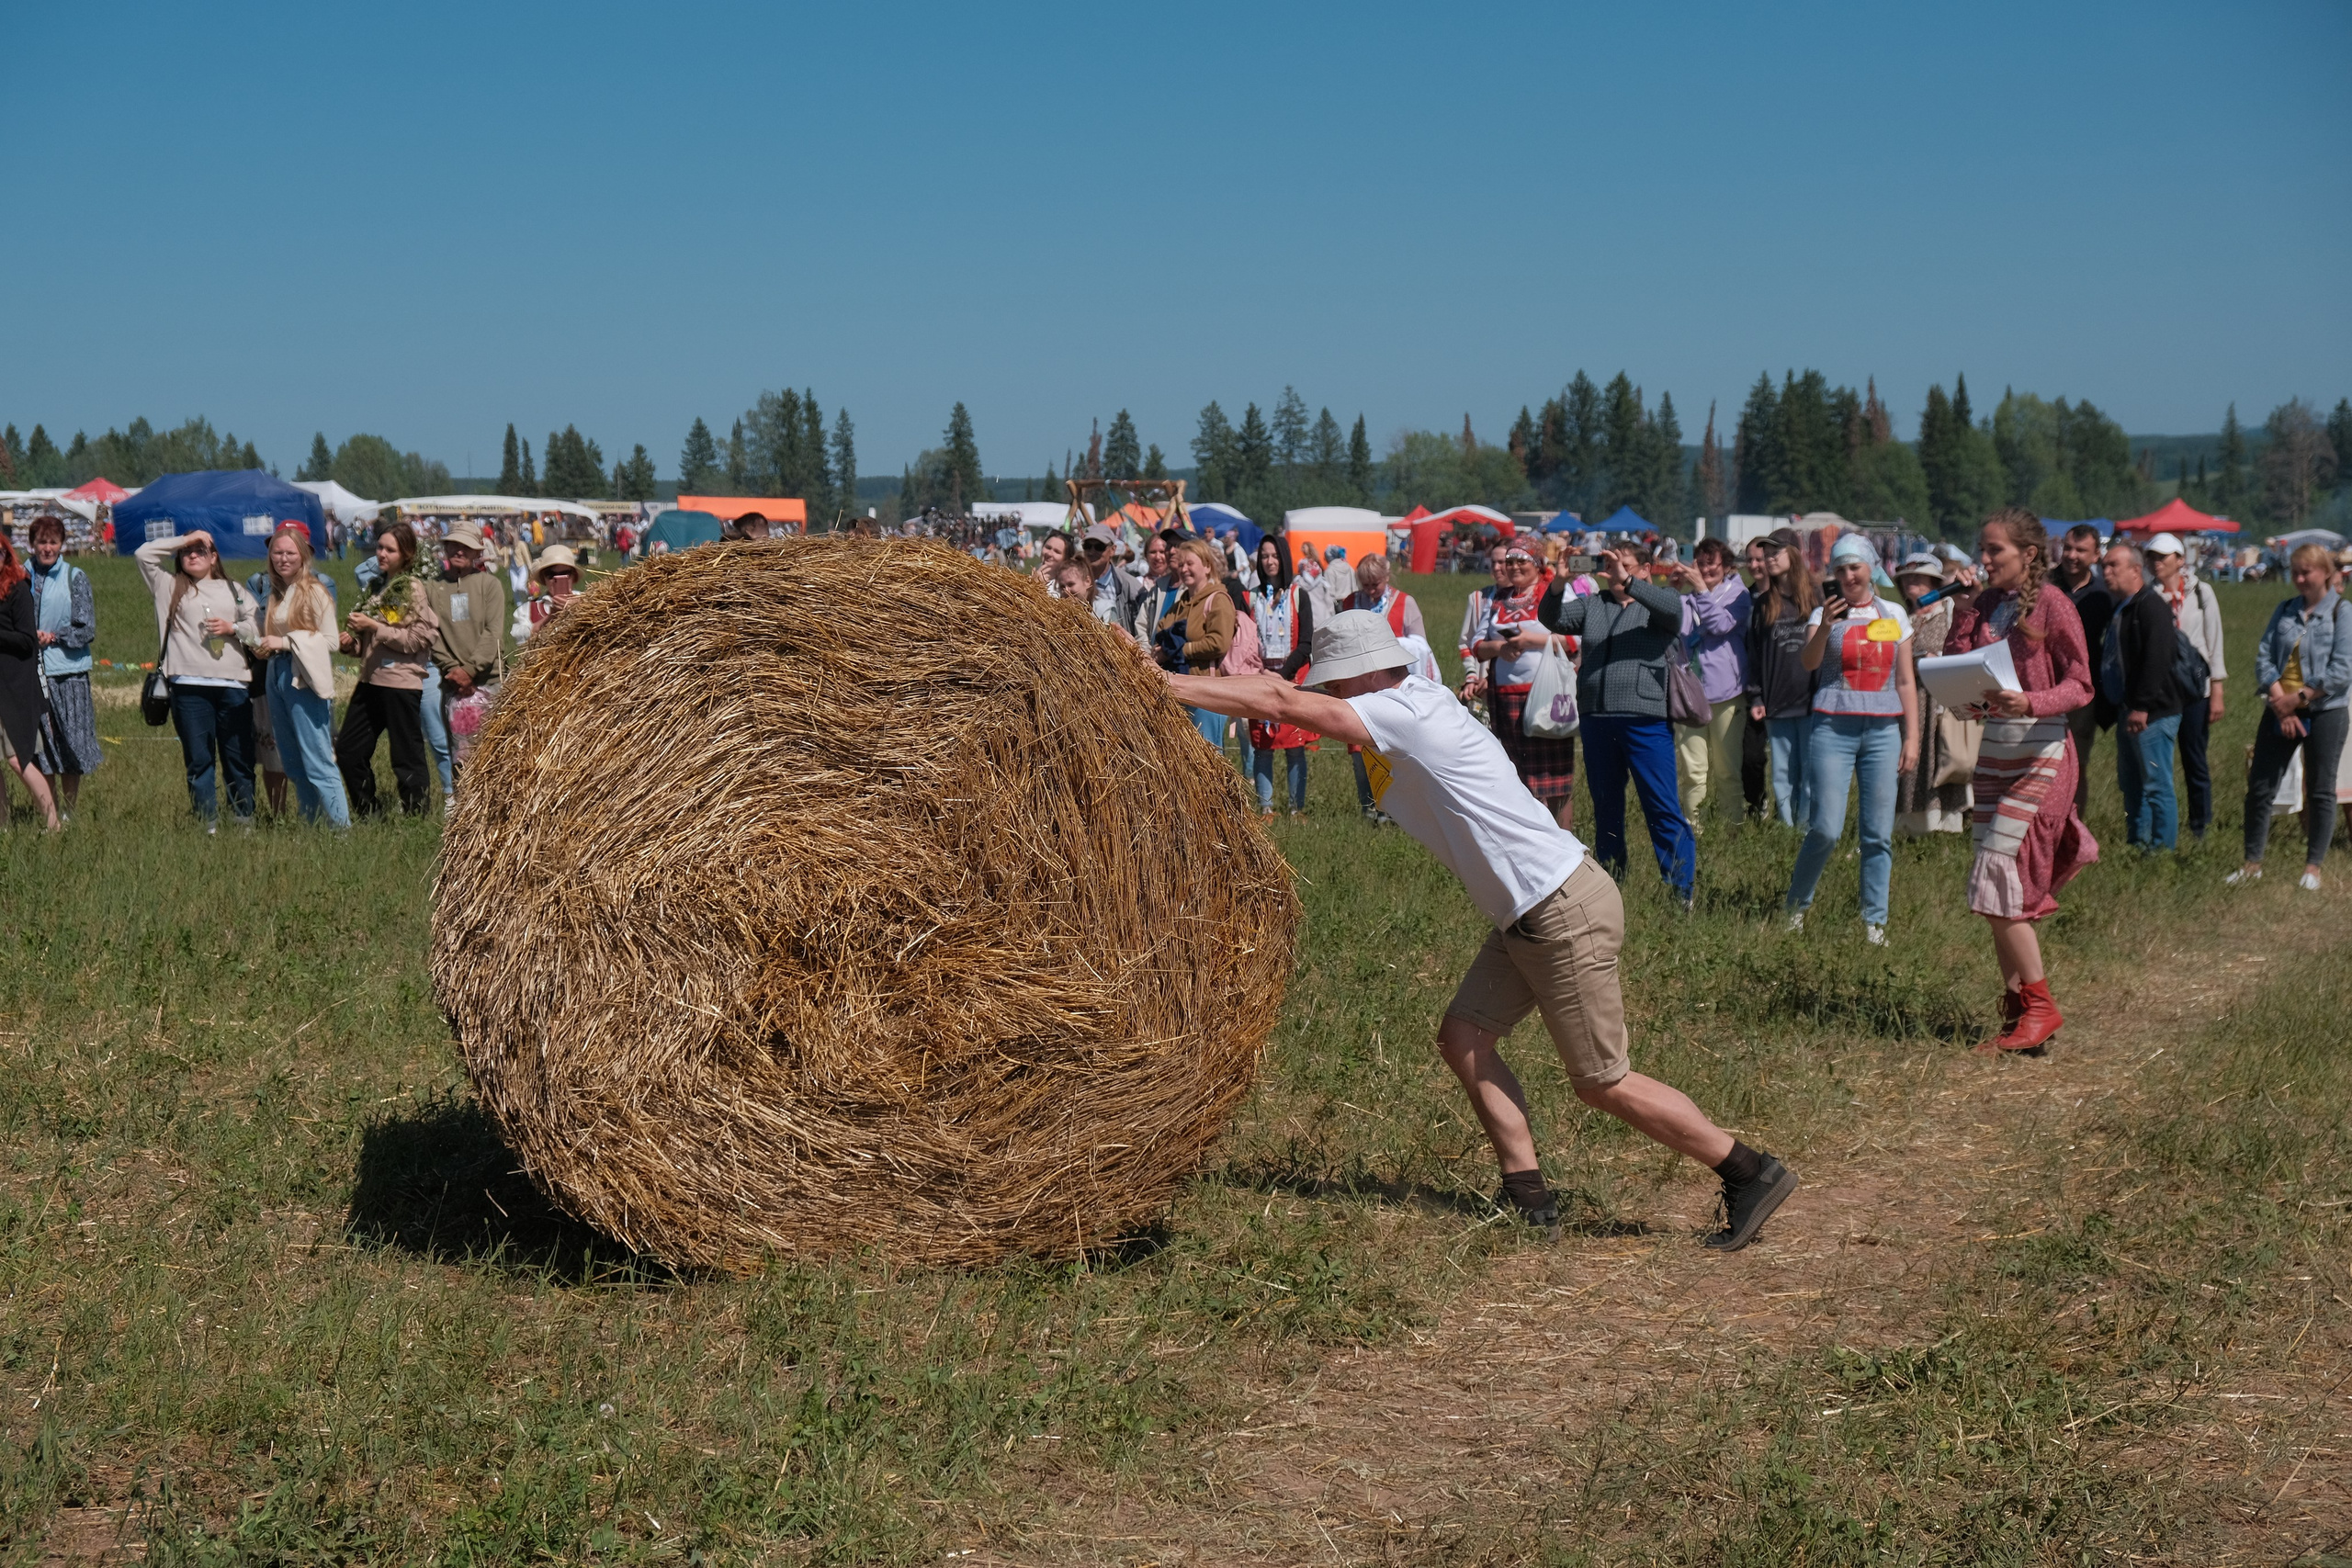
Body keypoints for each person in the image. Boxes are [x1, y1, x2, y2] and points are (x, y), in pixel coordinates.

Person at [1165, 609, 1799, 1250]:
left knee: (1603, 1082)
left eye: (1336, 683)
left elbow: (1278, 697)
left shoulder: (1403, 711)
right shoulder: (1408, 700)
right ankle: (1528, 1195)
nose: (1329, 694)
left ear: (1373, 671)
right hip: (1528, 909)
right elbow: (1277, 687)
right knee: (1464, 1037)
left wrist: (1165, 684)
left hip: (1559, 906)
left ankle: (1749, 1170)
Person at [1945, 509, 2097, 1054]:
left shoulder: (2054, 604)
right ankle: (2017, 1016)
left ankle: (2040, 1006)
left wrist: (2031, 699)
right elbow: (1955, 668)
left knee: (1997, 876)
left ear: (2029, 554)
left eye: (1994, 552)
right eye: (1981, 550)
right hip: (1996, 753)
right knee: (1995, 894)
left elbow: (2081, 684)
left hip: (2044, 752)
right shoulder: (1984, 604)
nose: (1982, 561)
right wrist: (1962, 614)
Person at [1541, 540, 1695, 905]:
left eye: (1624, 565)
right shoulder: (1595, 604)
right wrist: (1559, 582)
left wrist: (1630, 584)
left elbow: (1673, 612)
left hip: (1645, 720)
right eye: (1611, 565)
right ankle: (1611, 881)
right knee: (1606, 804)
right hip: (1597, 718)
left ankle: (1680, 890)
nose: (1614, 572)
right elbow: (1552, 619)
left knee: (1660, 805)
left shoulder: (1659, 605)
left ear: (1644, 570)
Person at [1783, 534, 1919, 944]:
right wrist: (1824, 626)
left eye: (1855, 567)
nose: (1848, 576)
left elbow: (1906, 680)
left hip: (1882, 731)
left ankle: (1874, 922)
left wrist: (1911, 737)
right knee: (1825, 828)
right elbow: (1808, 663)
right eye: (1840, 569)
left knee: (1877, 833)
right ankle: (1796, 908)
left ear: (1871, 568)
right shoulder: (1823, 613)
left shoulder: (1894, 612)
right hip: (1833, 729)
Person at [2227, 541, 2352, 892]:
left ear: (2325, 572)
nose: (2298, 579)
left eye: (2305, 572)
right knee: (2261, 787)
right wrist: (2280, 700)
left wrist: (2300, 697)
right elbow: (2264, 657)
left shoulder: (2343, 613)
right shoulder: (2284, 610)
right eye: (2294, 572)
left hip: (2326, 711)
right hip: (2279, 707)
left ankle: (2313, 868)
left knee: (2321, 790)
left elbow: (2341, 670)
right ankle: (2252, 865)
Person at [135, 528, 261, 832]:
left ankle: (243, 821)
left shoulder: (235, 591)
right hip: (188, 685)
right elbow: (143, 554)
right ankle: (208, 825)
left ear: (214, 557)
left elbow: (256, 632)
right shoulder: (168, 586)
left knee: (239, 759)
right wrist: (188, 537)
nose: (192, 555)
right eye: (186, 552)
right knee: (199, 759)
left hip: (233, 685)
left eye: (200, 550)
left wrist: (232, 628)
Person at [1468, 545, 1580, 829]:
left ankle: (1563, 840)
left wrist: (1532, 641)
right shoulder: (1499, 599)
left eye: (1522, 561)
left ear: (1538, 564)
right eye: (1510, 561)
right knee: (1518, 775)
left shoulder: (1556, 592)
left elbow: (1575, 640)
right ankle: (1533, 836)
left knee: (1553, 776)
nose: (1514, 566)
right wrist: (1500, 647)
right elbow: (1477, 646)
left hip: (1548, 696)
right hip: (1506, 699)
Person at [335, 521, 441, 818]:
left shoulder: (411, 588)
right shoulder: (378, 585)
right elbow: (377, 642)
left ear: (406, 554)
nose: (381, 553)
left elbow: (417, 640)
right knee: (348, 750)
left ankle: (416, 816)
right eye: (380, 547)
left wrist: (374, 626)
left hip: (400, 683)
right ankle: (370, 814)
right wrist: (352, 646)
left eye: (389, 549)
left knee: (405, 755)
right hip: (371, 680)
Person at [250, 525, 351, 828]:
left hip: (302, 676)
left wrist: (284, 642)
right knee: (292, 761)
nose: (283, 558)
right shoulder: (275, 593)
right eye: (277, 552)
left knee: (318, 758)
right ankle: (311, 823)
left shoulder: (315, 590)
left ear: (303, 554)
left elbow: (331, 640)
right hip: (276, 674)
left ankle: (340, 829)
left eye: (290, 553)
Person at [2097, 540, 2182, 853]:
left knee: (2157, 785)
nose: (2105, 572)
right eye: (2103, 566)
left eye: (2112, 566)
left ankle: (2162, 852)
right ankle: (2139, 843)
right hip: (2129, 710)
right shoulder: (2123, 605)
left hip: (2152, 714)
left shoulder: (2150, 606)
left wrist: (2142, 706)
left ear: (2136, 570)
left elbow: (2157, 660)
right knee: (2132, 783)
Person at [2144, 531, 2227, 842]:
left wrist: (2216, 689)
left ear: (2180, 561)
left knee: (2195, 757)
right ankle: (2159, 827)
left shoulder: (2202, 593)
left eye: (2163, 557)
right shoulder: (2147, 596)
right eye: (2152, 557)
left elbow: (2214, 640)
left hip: (2196, 690)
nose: (2156, 563)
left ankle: (2199, 825)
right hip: (2162, 692)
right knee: (2157, 763)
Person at [424, 521, 508, 803]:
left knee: (495, 756)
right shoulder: (433, 587)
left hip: (489, 683)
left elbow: (493, 632)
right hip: (453, 686)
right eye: (453, 545)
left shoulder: (489, 585)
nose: (459, 550)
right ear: (445, 548)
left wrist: (471, 670)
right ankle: (466, 817)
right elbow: (430, 634)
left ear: (476, 552)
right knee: (461, 758)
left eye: (466, 546)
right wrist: (452, 670)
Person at [1671, 538, 1751, 829]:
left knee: (1727, 770)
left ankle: (1732, 829)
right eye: (1700, 563)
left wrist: (1701, 592)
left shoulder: (1739, 596)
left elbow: (1719, 625)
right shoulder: (1686, 598)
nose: (1704, 569)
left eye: (1711, 564)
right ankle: (1695, 829)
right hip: (1689, 693)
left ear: (1727, 566)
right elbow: (1667, 625)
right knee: (1694, 770)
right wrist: (1673, 590)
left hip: (1726, 694)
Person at [1891, 552, 1972, 836]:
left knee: (1943, 758)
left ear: (1934, 581)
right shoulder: (1902, 619)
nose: (1911, 581)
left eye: (1918, 575)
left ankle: (1945, 825)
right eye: (1907, 577)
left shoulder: (1949, 610)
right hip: (1909, 703)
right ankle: (1910, 826)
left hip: (1942, 701)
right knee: (1911, 760)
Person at [25, 514, 100, 817]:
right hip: (30, 673)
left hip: (69, 675)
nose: (47, 547)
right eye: (41, 541)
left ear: (61, 545)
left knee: (71, 744)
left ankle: (69, 812)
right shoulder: (18, 576)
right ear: (32, 544)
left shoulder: (75, 577)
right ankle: (49, 811)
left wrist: (54, 636)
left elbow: (86, 628)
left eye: (53, 542)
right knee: (41, 749)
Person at [1745, 528, 1817, 827]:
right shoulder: (1764, 604)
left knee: (1810, 770)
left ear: (1794, 554)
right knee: (1783, 773)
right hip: (1777, 700)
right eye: (1767, 552)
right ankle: (1788, 830)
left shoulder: (1817, 598)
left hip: (1813, 698)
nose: (1768, 558)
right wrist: (1756, 695)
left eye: (1776, 552)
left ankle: (1808, 829)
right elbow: (1754, 655)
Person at [1246, 536, 1316, 816]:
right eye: (1264, 556)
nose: (1269, 561)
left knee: (1294, 746)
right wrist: (1261, 671)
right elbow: (1245, 641)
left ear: (1283, 558)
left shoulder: (1299, 596)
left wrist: (1283, 674)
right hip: (1259, 677)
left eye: (1274, 556)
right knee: (1263, 745)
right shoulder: (1250, 597)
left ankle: (1296, 809)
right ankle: (1266, 808)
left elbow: (1307, 643)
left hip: (1292, 678)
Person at [0, 534, 63, 832]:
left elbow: (28, 641)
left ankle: (53, 823)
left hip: (14, 688)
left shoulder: (18, 588)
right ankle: (3, 824)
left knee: (18, 758)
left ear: (6, 555)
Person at [2051, 524, 2112, 817]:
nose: (2072, 555)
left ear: (2096, 555)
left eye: (2080, 550)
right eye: (2068, 548)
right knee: (2040, 760)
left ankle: (2074, 823)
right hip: (2042, 685)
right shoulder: (2044, 585)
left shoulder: (2105, 594)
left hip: (2081, 690)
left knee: (2076, 760)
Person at [1151, 538, 1235, 746]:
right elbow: (1161, 629)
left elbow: (1218, 643)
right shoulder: (1180, 605)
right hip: (1180, 692)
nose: (1184, 569)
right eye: (1181, 565)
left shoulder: (1218, 600)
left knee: (1208, 760)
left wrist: (1179, 649)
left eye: (1190, 563)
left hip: (1207, 693)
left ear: (1207, 566)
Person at [1079, 524, 1147, 631]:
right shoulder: (1072, 581)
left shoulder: (1130, 586)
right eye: (1087, 546)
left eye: (1099, 547)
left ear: (1113, 550)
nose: (1092, 551)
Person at [517, 545, 582, 638]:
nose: (557, 579)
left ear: (574, 576)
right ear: (543, 578)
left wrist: (580, 606)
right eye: (550, 574)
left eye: (565, 573)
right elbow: (521, 640)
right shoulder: (529, 609)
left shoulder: (589, 600)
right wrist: (550, 617)